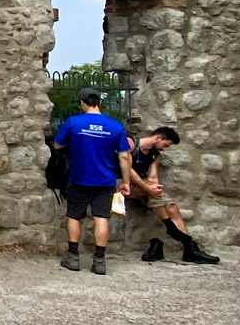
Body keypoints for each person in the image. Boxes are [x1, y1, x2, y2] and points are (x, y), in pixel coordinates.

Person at [52, 87, 131, 274]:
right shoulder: (115, 126)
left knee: (74, 216)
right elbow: (125, 156)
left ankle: (73, 257)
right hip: (105, 180)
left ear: (82, 103)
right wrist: (126, 182)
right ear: (100, 103)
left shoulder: (73, 123)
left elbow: (57, 144)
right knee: (101, 218)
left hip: (79, 177)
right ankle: (100, 261)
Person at [128, 127, 220, 264]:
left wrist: (153, 188)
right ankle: (180, 237)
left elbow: (153, 178)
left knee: (172, 209)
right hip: (121, 184)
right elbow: (126, 169)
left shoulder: (155, 156)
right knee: (151, 192)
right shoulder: (130, 144)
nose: (164, 149)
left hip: (142, 188)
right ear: (158, 138)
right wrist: (148, 187)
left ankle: (188, 249)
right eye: (165, 145)